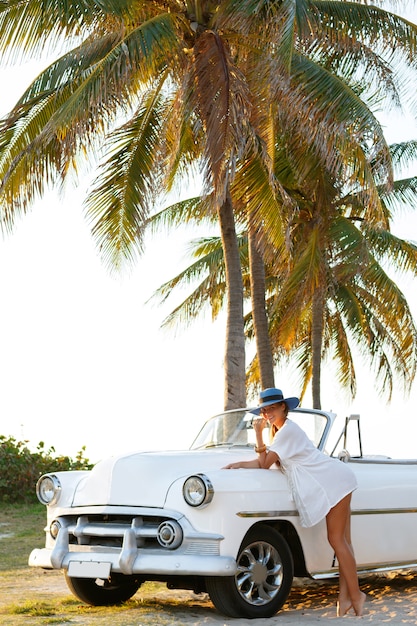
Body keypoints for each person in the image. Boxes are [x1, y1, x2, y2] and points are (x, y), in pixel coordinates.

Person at [224, 387, 366, 617]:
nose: (268, 413)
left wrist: (258, 435)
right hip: (332, 478)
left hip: (334, 480)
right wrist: (239, 464)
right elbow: (266, 460)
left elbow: (264, 463)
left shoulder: (286, 431)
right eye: (264, 410)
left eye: (272, 408)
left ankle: (357, 594)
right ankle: (346, 597)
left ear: (284, 407)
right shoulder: (280, 432)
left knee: (337, 540)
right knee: (343, 543)